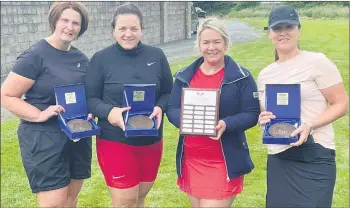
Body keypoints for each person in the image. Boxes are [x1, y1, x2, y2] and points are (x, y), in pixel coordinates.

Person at [0, 2, 92, 207]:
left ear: (81, 27)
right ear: (54, 21)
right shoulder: (34, 56)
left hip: (77, 135)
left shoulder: (80, 58)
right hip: (43, 137)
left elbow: (84, 94)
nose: (70, 27)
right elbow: (6, 95)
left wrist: (90, 111)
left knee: (71, 197)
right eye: (64, 20)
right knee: (54, 201)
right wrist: (39, 114)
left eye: (75, 23)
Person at [257, 5, 349, 207]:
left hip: (314, 156)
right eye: (277, 28)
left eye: (288, 27)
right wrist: (262, 119)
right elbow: (266, 113)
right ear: (270, 34)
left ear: (299, 30)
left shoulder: (317, 62)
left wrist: (310, 125)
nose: (283, 33)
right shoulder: (265, 74)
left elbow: (342, 104)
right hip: (279, 157)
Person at [84, 4, 173, 207]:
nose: (128, 34)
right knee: (125, 202)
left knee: (140, 197)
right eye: (122, 28)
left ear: (142, 29)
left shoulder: (157, 56)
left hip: (151, 140)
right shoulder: (100, 59)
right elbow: (90, 99)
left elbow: (169, 92)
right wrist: (109, 111)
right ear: (113, 30)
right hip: (115, 141)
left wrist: (160, 107)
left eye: (134, 28)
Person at [166, 18, 260, 207]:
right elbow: (172, 109)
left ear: (226, 43)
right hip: (192, 160)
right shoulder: (185, 75)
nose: (211, 48)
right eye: (206, 42)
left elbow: (251, 113)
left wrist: (227, 124)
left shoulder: (241, 76)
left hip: (223, 161)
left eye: (217, 42)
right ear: (199, 44)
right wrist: (187, 121)